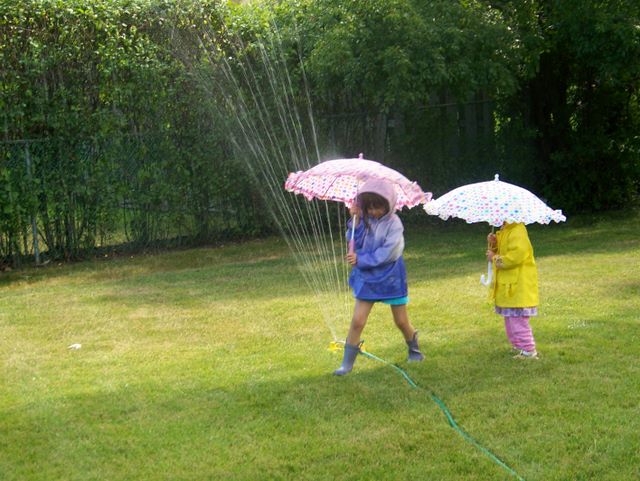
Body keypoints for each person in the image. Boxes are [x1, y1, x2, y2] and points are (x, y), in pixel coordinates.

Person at [334, 178, 424, 376]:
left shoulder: (395, 224)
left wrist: (362, 259)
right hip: (368, 277)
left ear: (388, 204)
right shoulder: (363, 219)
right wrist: (355, 221)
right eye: (370, 207)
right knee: (358, 320)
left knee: (401, 321)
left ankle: (415, 350)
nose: (374, 211)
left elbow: (389, 252)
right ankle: (347, 364)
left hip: (391, 277)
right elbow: (354, 239)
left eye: (378, 207)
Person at [486, 222, 540, 359]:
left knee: (517, 320)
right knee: (510, 320)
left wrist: (495, 258)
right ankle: (519, 345)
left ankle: (528, 350)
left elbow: (516, 257)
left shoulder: (517, 230)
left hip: (517, 287)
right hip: (509, 286)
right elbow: (504, 250)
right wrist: (494, 244)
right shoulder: (506, 230)